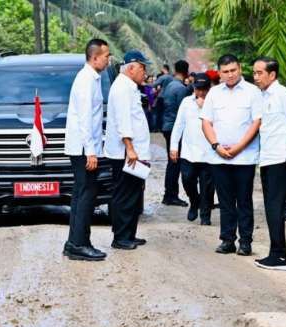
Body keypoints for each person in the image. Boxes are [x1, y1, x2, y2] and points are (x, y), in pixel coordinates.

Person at [201, 54, 262, 256]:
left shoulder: (253, 92)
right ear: (219, 73)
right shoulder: (213, 94)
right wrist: (216, 146)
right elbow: (206, 122)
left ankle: (245, 242)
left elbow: (256, 123)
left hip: (244, 157)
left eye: (233, 70)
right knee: (225, 201)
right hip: (219, 156)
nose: (230, 75)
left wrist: (238, 147)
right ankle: (227, 240)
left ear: (240, 69)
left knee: (244, 200)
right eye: (225, 71)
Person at [252, 57, 286, 271]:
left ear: (272, 74)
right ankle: (276, 253)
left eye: (259, 73)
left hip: (280, 157)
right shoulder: (262, 96)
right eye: (254, 73)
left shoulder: (284, 95)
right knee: (270, 207)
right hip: (267, 157)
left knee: (274, 207)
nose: (256, 77)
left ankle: (279, 256)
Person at [62, 39, 111, 262]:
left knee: (82, 194)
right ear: (94, 57)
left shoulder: (92, 78)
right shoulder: (86, 81)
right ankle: (78, 244)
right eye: (106, 56)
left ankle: (76, 241)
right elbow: (85, 119)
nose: (108, 60)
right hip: (84, 148)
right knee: (86, 195)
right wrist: (91, 151)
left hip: (84, 146)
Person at [105, 50, 152, 251]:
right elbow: (123, 121)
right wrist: (130, 148)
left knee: (133, 194)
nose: (145, 72)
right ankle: (121, 237)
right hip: (127, 153)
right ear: (131, 68)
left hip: (133, 152)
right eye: (143, 68)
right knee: (124, 194)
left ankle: (129, 234)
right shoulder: (122, 88)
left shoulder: (129, 87)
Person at [169, 73, 216, 225]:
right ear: (193, 88)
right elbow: (179, 125)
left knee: (207, 186)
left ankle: (205, 215)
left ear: (209, 89)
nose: (201, 93)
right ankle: (194, 202)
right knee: (187, 180)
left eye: (204, 89)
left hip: (209, 152)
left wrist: (205, 108)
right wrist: (174, 146)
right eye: (198, 89)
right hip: (189, 151)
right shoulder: (186, 102)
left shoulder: (215, 103)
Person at [161, 59, 190, 206]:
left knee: (172, 162)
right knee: (175, 162)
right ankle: (171, 195)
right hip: (174, 128)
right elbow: (184, 112)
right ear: (186, 72)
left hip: (166, 125)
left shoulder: (170, 84)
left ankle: (169, 194)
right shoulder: (181, 89)